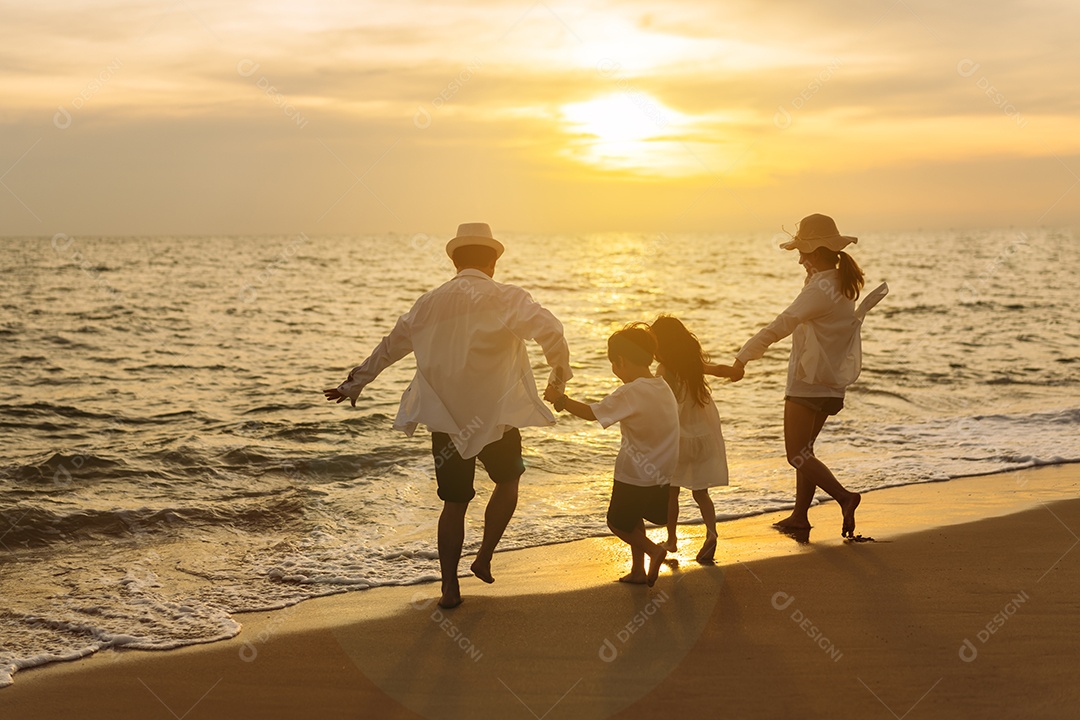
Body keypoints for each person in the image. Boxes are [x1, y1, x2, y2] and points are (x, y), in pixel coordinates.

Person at [324, 223, 572, 609]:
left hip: (446, 419)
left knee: (454, 503)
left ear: (455, 261)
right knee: (509, 483)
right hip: (497, 417)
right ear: (492, 261)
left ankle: (449, 588)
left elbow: (391, 346)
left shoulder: (428, 303)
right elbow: (552, 331)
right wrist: (557, 381)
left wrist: (354, 383)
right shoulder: (508, 297)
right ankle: (485, 554)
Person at [712, 214, 887, 538]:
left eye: (803, 253)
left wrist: (742, 358)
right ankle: (799, 516)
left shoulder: (821, 286)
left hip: (808, 383)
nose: (800, 260)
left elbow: (784, 322)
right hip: (830, 385)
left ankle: (845, 497)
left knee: (796, 455)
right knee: (806, 453)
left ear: (818, 251)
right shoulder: (840, 282)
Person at [544, 324, 679, 587]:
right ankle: (638, 570)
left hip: (634, 473)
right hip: (662, 472)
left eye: (613, 365)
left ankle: (654, 551)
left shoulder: (631, 391)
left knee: (617, 523)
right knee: (635, 518)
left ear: (622, 361)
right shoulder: (662, 386)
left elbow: (593, 413)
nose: (615, 372)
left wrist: (560, 399)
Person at [650, 315, 739, 563]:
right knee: (701, 493)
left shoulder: (664, 370)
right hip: (701, 438)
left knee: (671, 493)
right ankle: (711, 533)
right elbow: (720, 370)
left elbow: (661, 404)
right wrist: (735, 371)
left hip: (678, 440)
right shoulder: (692, 364)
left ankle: (671, 540)